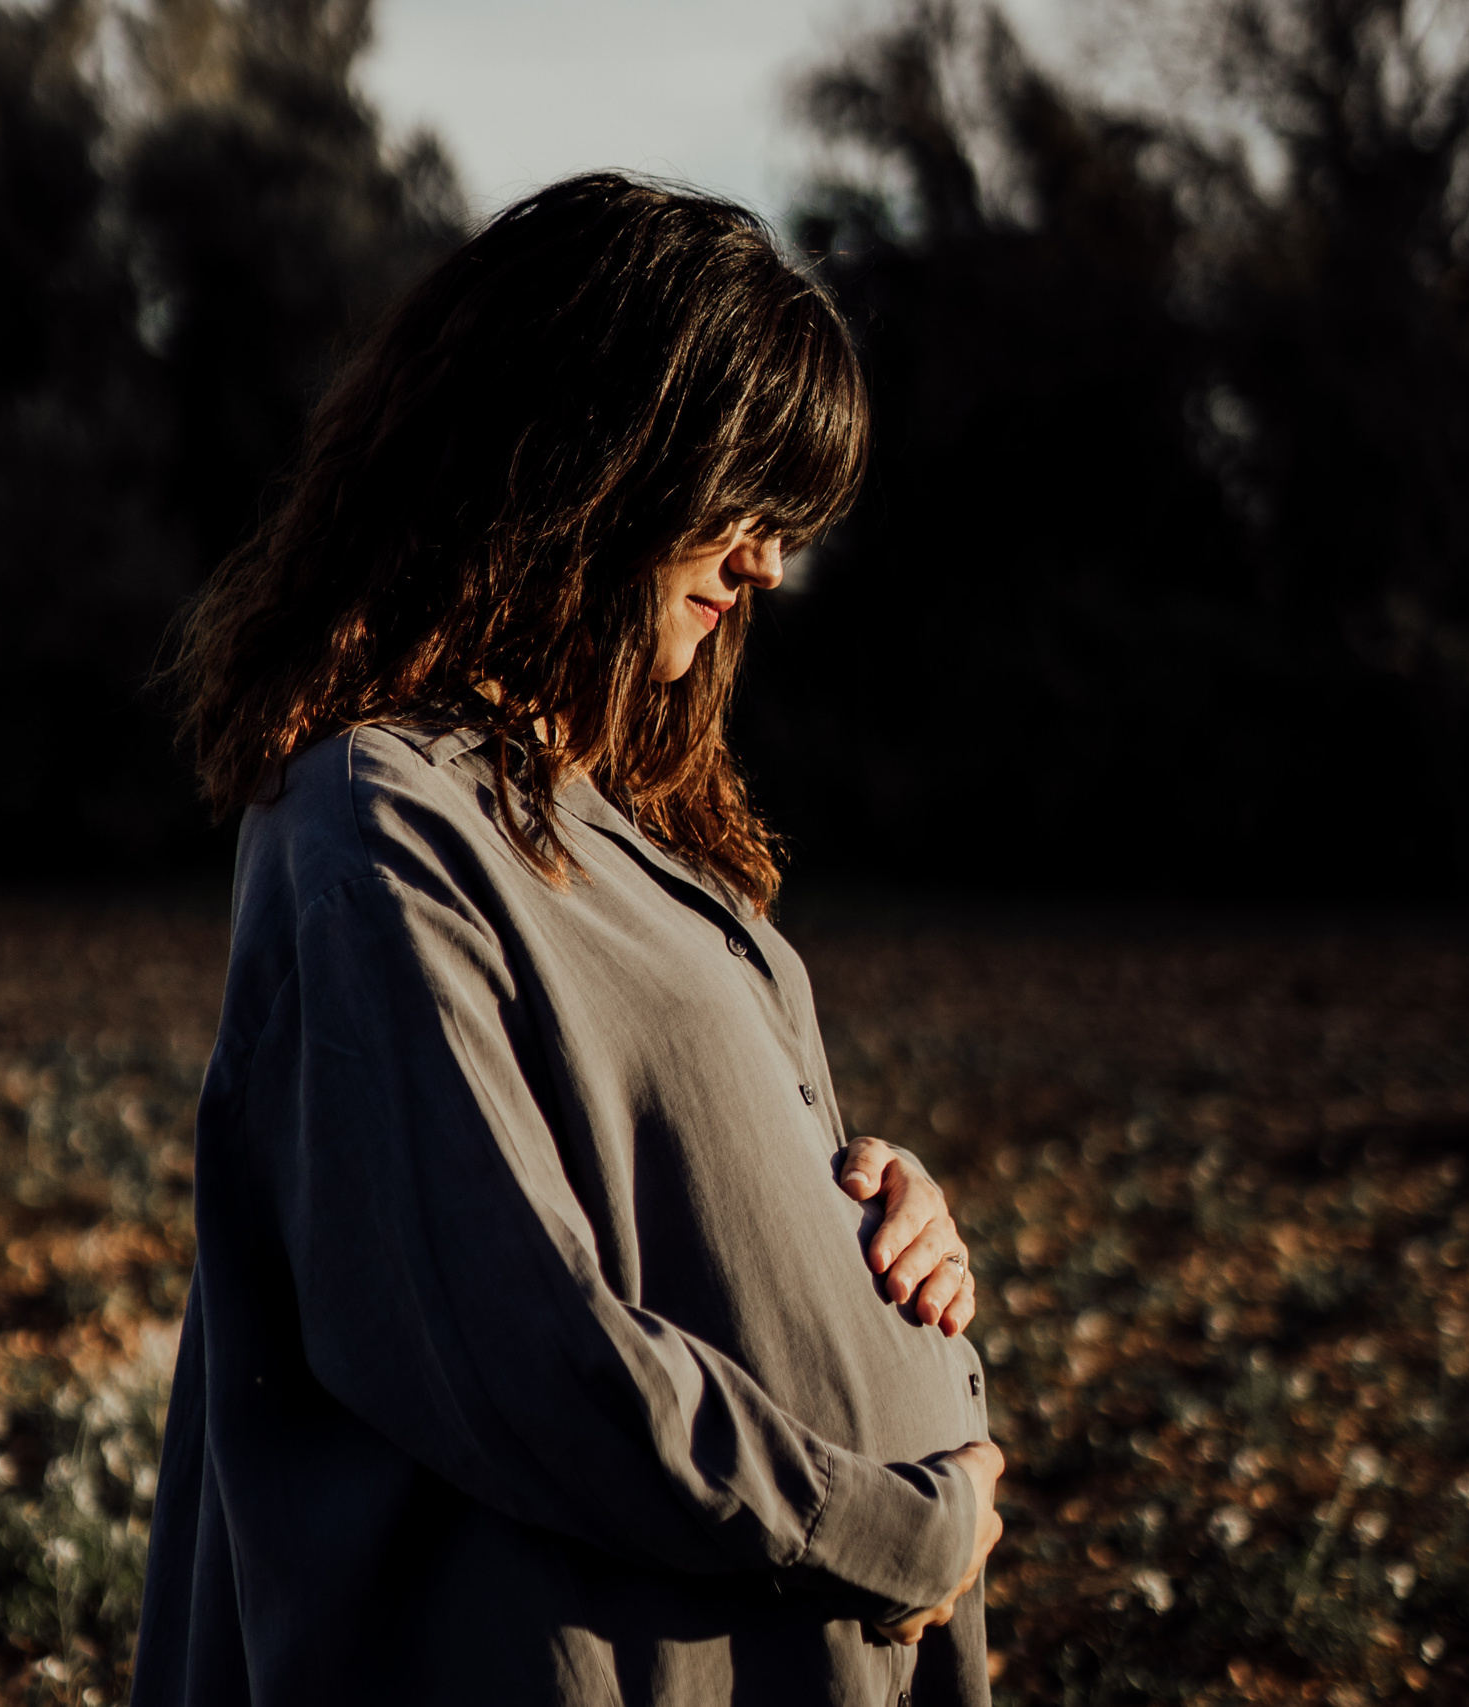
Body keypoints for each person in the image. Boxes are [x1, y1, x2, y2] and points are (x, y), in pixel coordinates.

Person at [130, 172, 1005, 1707]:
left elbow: (685, 1193)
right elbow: (502, 1345)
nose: (771, 567)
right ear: (592, 463)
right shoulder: (374, 824)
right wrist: (885, 1526)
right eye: (750, 501)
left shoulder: (635, 825)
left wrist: (880, 1211)